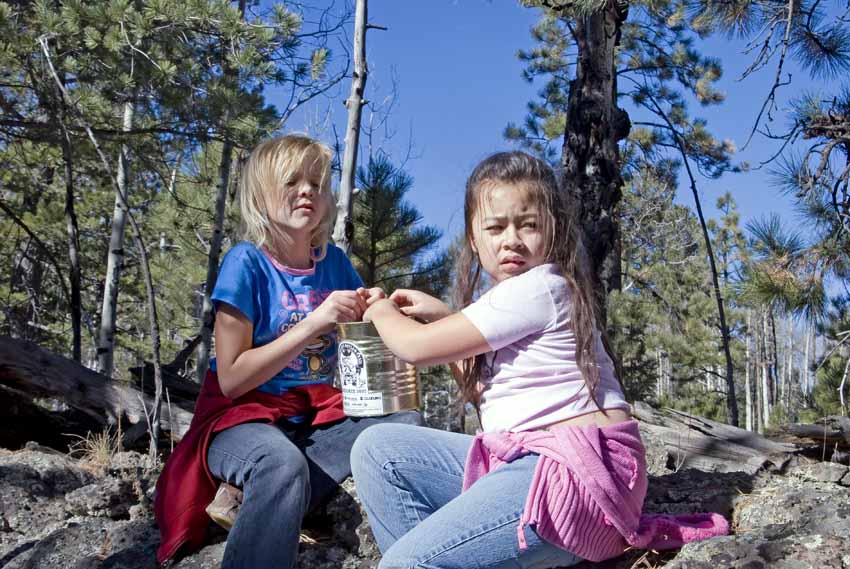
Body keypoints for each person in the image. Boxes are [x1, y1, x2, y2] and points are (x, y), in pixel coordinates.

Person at [351, 151, 727, 568]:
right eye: (495, 227)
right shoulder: (514, 301)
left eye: (528, 225)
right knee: (378, 450)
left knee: (405, 564)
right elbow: (486, 393)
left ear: (553, 230)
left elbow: (414, 347)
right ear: (474, 239)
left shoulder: (539, 287)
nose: (511, 239)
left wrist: (380, 310)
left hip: (574, 479)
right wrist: (444, 317)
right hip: (534, 467)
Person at [154, 134, 421, 569]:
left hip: (310, 419)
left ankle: (256, 499)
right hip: (239, 421)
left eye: (317, 184)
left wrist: (380, 306)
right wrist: (314, 322)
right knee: (280, 463)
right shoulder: (245, 262)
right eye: (292, 182)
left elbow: (368, 332)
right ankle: (271, 492)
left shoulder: (334, 264)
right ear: (262, 194)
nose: (307, 192)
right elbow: (232, 379)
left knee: (402, 424)